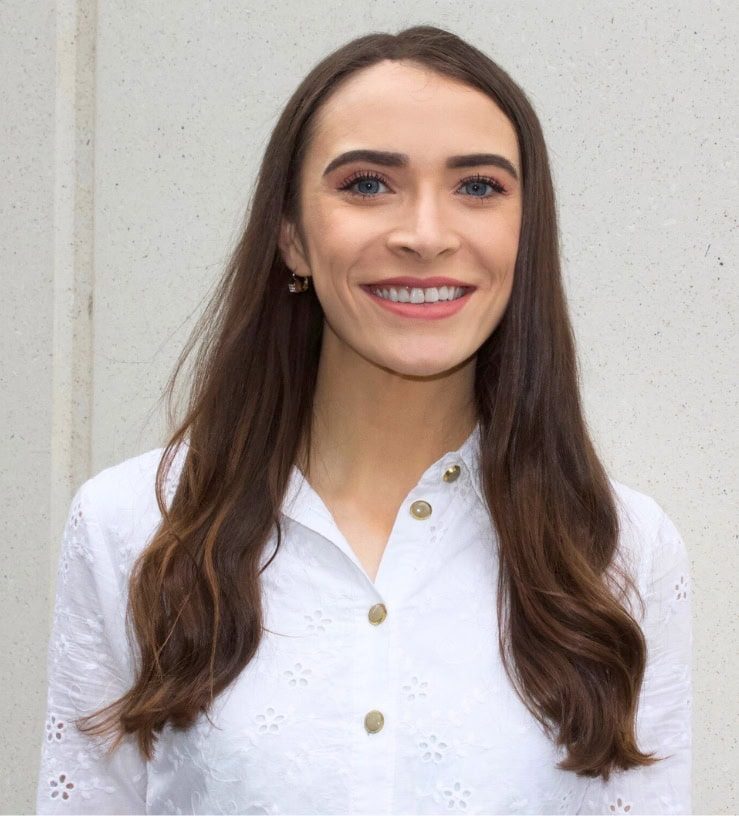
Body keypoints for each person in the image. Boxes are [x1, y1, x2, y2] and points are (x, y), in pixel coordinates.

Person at [35, 25, 692, 815]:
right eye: (368, 184)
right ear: (290, 237)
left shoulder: (619, 549)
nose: (425, 235)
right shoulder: (130, 525)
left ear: (526, 234)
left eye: (478, 187)